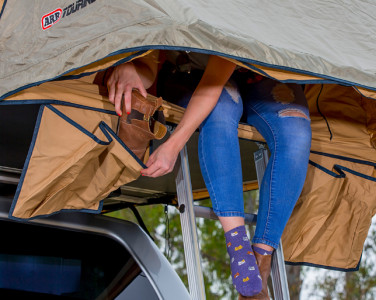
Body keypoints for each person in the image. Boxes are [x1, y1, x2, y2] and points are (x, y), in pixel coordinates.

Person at [106, 50, 312, 299]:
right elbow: (155, 67)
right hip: (195, 74)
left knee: (297, 131)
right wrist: (130, 67)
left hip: (255, 74)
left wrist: (172, 147)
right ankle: (239, 248)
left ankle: (261, 261)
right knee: (222, 107)